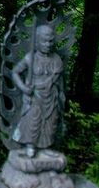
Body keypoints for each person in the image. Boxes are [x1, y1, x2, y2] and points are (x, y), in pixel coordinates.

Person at [11, 25, 64, 157]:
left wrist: (61, 96)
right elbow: (15, 72)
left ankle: (45, 147)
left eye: (51, 41)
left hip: (51, 96)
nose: (48, 44)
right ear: (36, 42)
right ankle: (30, 146)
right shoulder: (30, 58)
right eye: (44, 41)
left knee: (50, 123)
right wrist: (23, 88)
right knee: (33, 120)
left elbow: (59, 81)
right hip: (35, 95)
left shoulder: (56, 59)